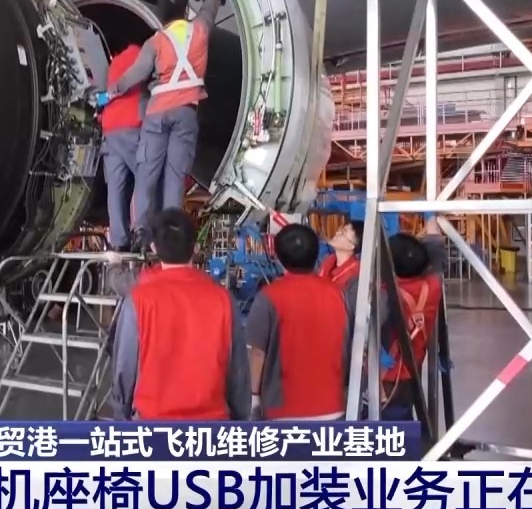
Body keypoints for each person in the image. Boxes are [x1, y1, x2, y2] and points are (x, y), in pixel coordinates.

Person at [107, 0, 236, 249]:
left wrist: (111, 91)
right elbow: (212, 3)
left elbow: (136, 75)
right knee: (175, 177)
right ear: (185, 11)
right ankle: (168, 238)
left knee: (147, 174)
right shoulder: (199, 30)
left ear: (161, 14)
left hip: (157, 114)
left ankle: (141, 233)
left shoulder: (155, 42)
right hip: (185, 114)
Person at [105, 208, 250, 420]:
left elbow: (124, 368)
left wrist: (121, 416)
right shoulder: (223, 299)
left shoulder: (138, 300)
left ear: (154, 247)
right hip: (212, 427)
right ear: (195, 247)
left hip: (153, 425)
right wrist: (240, 420)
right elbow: (238, 371)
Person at [247, 224, 349, 420]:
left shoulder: (268, 297)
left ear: (278, 257)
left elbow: (257, 353)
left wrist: (253, 397)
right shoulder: (338, 294)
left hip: (282, 411)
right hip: (333, 407)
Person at [375, 216, 446, 421]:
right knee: (403, 424)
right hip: (411, 370)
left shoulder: (385, 296)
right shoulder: (432, 286)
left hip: (384, 379)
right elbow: (436, 251)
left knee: (388, 429)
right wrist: (430, 217)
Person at [94, 45, 147, 252]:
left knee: (116, 187)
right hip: (131, 126)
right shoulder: (139, 53)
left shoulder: (113, 64)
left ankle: (119, 241)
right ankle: (141, 231)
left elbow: (103, 97)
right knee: (145, 176)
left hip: (109, 129)